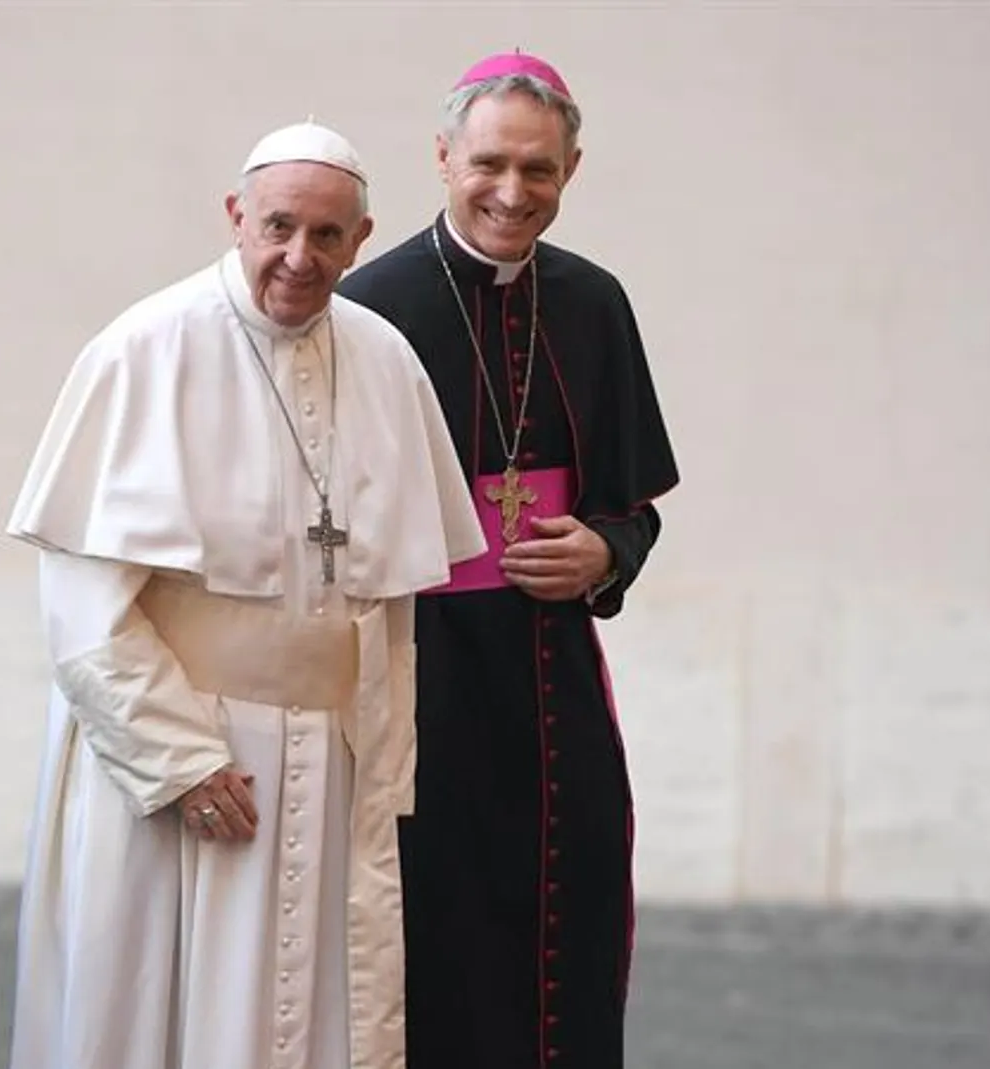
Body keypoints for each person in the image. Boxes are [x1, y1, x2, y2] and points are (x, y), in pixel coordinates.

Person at [3, 121, 486, 1069]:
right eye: (278, 228)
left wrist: (383, 769)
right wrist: (177, 757)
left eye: (326, 236)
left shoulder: (385, 360)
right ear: (236, 217)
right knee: (158, 1012)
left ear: (362, 237)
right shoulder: (144, 348)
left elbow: (390, 610)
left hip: (327, 758)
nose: (298, 258)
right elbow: (83, 602)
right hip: (184, 760)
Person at [337, 51, 682, 1068]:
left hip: (551, 683)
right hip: (418, 677)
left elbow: (634, 510)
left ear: (571, 170)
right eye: (489, 163)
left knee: (563, 931)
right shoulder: (369, 310)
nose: (511, 192)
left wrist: (603, 552)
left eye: (538, 170)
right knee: (429, 942)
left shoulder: (594, 302)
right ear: (442, 158)